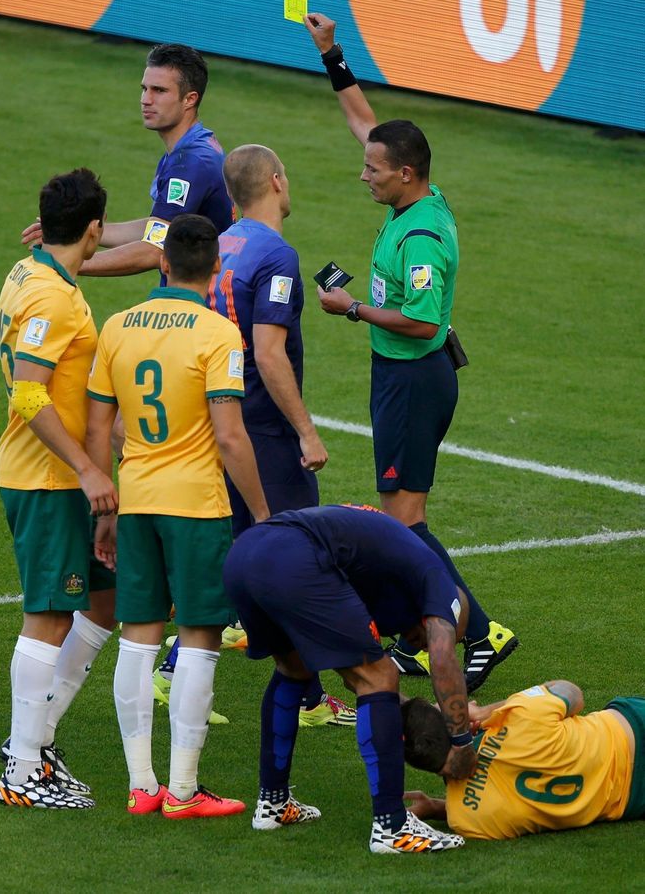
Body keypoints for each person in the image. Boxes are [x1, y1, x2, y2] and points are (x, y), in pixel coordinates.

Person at [304, 12, 517, 689]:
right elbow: (362, 121)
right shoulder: (412, 199)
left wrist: (353, 308)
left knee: (404, 521)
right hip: (398, 375)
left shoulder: (422, 239)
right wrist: (333, 55)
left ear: (405, 173)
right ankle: (423, 632)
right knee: (400, 518)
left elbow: (423, 324)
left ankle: (479, 631)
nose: (361, 175)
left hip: (415, 378)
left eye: (373, 170)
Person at [155, 144, 356, 728]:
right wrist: (307, 432)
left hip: (220, 416)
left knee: (241, 550)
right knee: (293, 557)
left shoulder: (224, 244)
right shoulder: (276, 254)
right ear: (275, 181)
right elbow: (269, 354)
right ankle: (176, 670)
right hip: (262, 429)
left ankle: (305, 696)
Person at [85, 214, 269, 818]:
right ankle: (184, 790)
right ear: (215, 268)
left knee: (137, 636)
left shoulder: (117, 326)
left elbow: (100, 426)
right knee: (199, 637)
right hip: (195, 506)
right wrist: (263, 515)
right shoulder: (218, 334)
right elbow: (231, 438)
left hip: (134, 499)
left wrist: (105, 501)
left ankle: (142, 787)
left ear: (162, 263)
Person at [221, 502, 509, 853]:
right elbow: (443, 657)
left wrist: (411, 711)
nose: (420, 644)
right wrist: (461, 742)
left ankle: (274, 803)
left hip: (245, 555)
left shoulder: (380, 582)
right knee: (382, 674)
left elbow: (352, 678)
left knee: (293, 668)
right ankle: (392, 826)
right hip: (293, 555)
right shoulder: (442, 587)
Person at [0, 168, 118, 809]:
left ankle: (35, 745)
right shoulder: (53, 297)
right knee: (46, 615)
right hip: (46, 476)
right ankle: (22, 769)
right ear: (94, 229)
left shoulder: (31, 273)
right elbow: (29, 390)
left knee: (103, 602)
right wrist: (87, 468)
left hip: (52, 473)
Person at [22, 43, 233, 281]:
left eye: (159, 91)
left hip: (208, 305)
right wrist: (86, 234)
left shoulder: (190, 161)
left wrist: (65, 261)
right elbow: (161, 227)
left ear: (189, 99)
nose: (146, 99)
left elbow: (154, 250)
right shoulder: (193, 147)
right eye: (144, 88)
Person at [402, 682, 645, 839]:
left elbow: (494, 798)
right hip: (634, 728)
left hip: (634, 800)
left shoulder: (464, 819)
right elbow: (572, 693)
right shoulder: (522, 717)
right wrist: (487, 712)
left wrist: (435, 807)